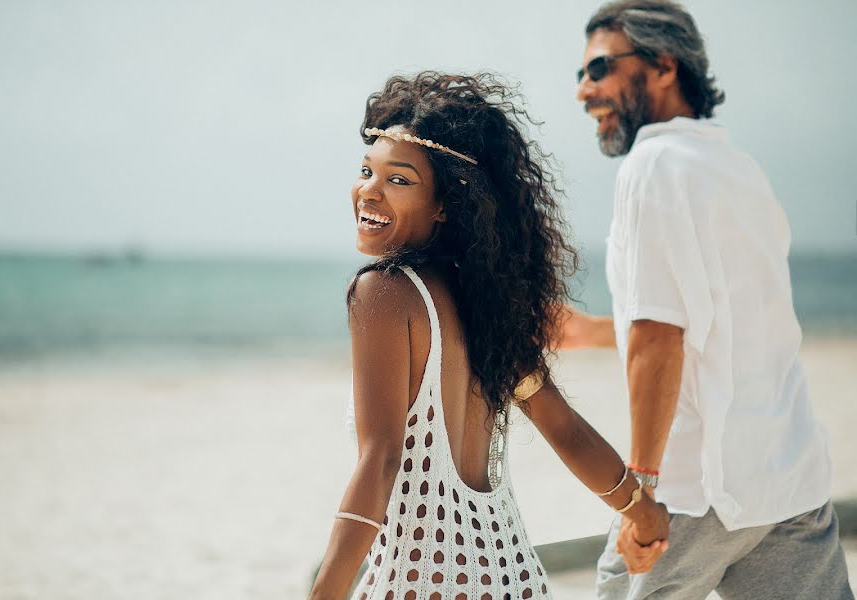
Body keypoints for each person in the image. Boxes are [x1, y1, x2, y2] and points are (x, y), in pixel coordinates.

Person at [308, 72, 669, 600]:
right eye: (367, 171)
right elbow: (564, 429)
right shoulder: (483, 305)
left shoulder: (381, 294)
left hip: (421, 584)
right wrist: (643, 511)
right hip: (511, 578)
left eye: (399, 180)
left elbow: (381, 458)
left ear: (445, 206)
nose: (370, 190)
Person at [563, 1, 854, 598]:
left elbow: (658, 334)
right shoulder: (738, 168)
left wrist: (639, 491)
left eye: (598, 70)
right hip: (788, 481)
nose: (583, 93)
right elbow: (727, 321)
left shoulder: (652, 165)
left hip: (694, 493)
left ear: (664, 66)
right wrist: (591, 330)